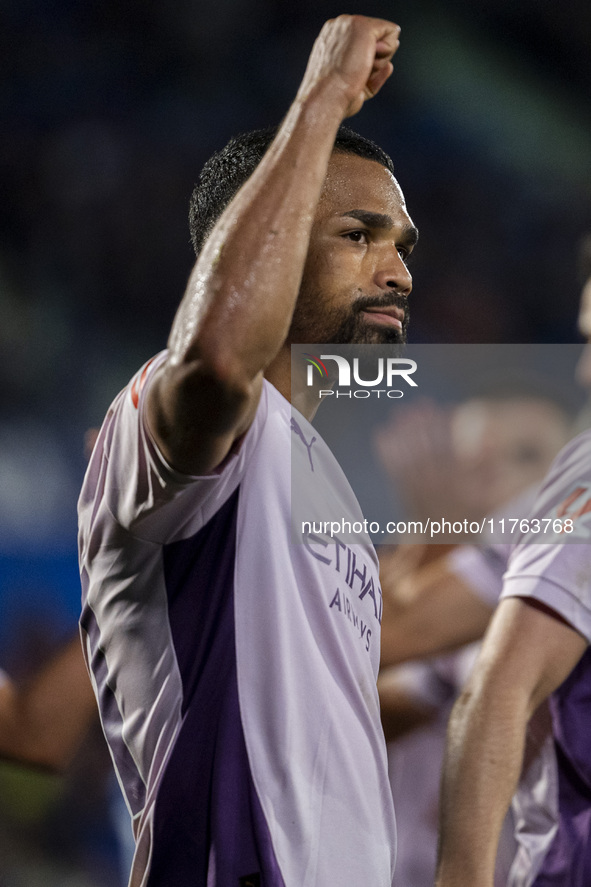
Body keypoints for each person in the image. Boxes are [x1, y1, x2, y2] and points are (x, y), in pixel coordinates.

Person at [78, 16, 418, 887]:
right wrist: (321, 99)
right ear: (261, 233)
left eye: (401, 247)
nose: (399, 273)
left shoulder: (325, 477)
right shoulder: (173, 407)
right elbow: (222, 358)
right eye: (358, 235)